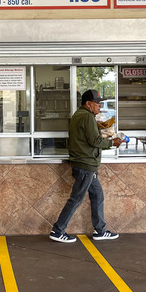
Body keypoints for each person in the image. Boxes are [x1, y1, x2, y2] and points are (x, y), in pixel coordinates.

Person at [49, 89, 122, 243]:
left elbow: (88, 137)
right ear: (88, 104)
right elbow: (94, 141)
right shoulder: (87, 117)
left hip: (86, 164)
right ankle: (57, 230)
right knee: (76, 199)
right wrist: (112, 142)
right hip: (85, 165)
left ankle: (100, 230)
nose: (100, 107)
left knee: (97, 195)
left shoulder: (80, 115)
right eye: (98, 103)